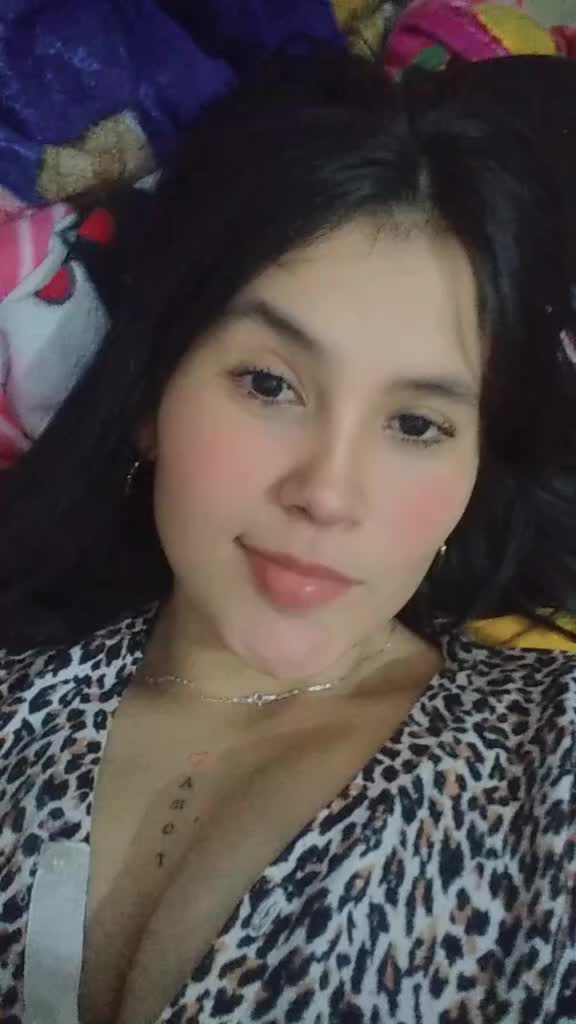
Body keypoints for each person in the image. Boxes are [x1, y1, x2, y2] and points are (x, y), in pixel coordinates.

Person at [0, 50, 576, 1024]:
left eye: (417, 424)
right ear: (151, 398)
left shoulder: (549, 763)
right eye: (269, 384)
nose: (327, 494)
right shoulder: (17, 694)